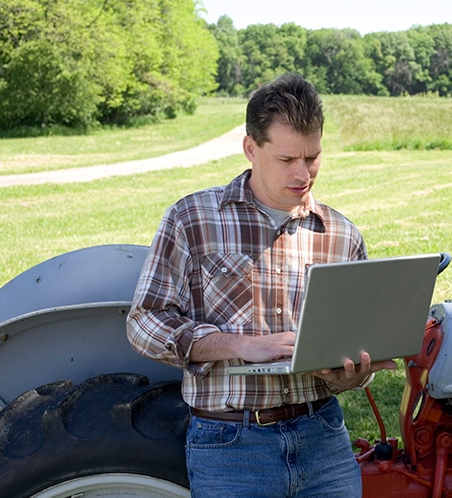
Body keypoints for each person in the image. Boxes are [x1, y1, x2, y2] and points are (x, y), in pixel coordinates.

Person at [126, 73, 395, 497]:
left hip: (323, 434)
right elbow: (144, 323)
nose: (303, 173)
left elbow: (356, 348)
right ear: (252, 148)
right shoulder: (193, 219)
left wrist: (350, 376)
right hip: (230, 446)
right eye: (287, 160)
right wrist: (237, 345)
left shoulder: (342, 234)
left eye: (313, 157)